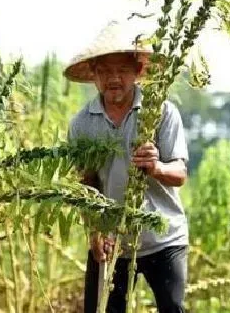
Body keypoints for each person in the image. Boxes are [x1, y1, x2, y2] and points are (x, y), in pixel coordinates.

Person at [65, 20, 189, 313]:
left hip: (163, 237)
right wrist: (96, 231)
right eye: (105, 71)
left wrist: (156, 166)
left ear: (138, 72)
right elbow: (87, 182)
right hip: (113, 239)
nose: (113, 78)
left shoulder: (161, 112)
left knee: (173, 308)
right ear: (94, 75)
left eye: (121, 69)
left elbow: (180, 174)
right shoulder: (82, 124)